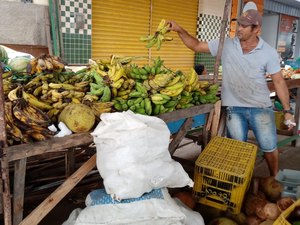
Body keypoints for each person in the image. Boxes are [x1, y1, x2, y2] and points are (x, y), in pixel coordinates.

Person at [168, 9, 296, 176]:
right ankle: (241, 181)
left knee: (269, 147)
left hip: (261, 108)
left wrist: (287, 111)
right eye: (238, 24)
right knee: (238, 149)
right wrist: (179, 30)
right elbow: (196, 45)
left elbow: (279, 81)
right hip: (235, 109)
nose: (239, 28)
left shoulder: (268, 52)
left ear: (256, 29)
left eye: (244, 26)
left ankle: (274, 178)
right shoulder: (226, 44)